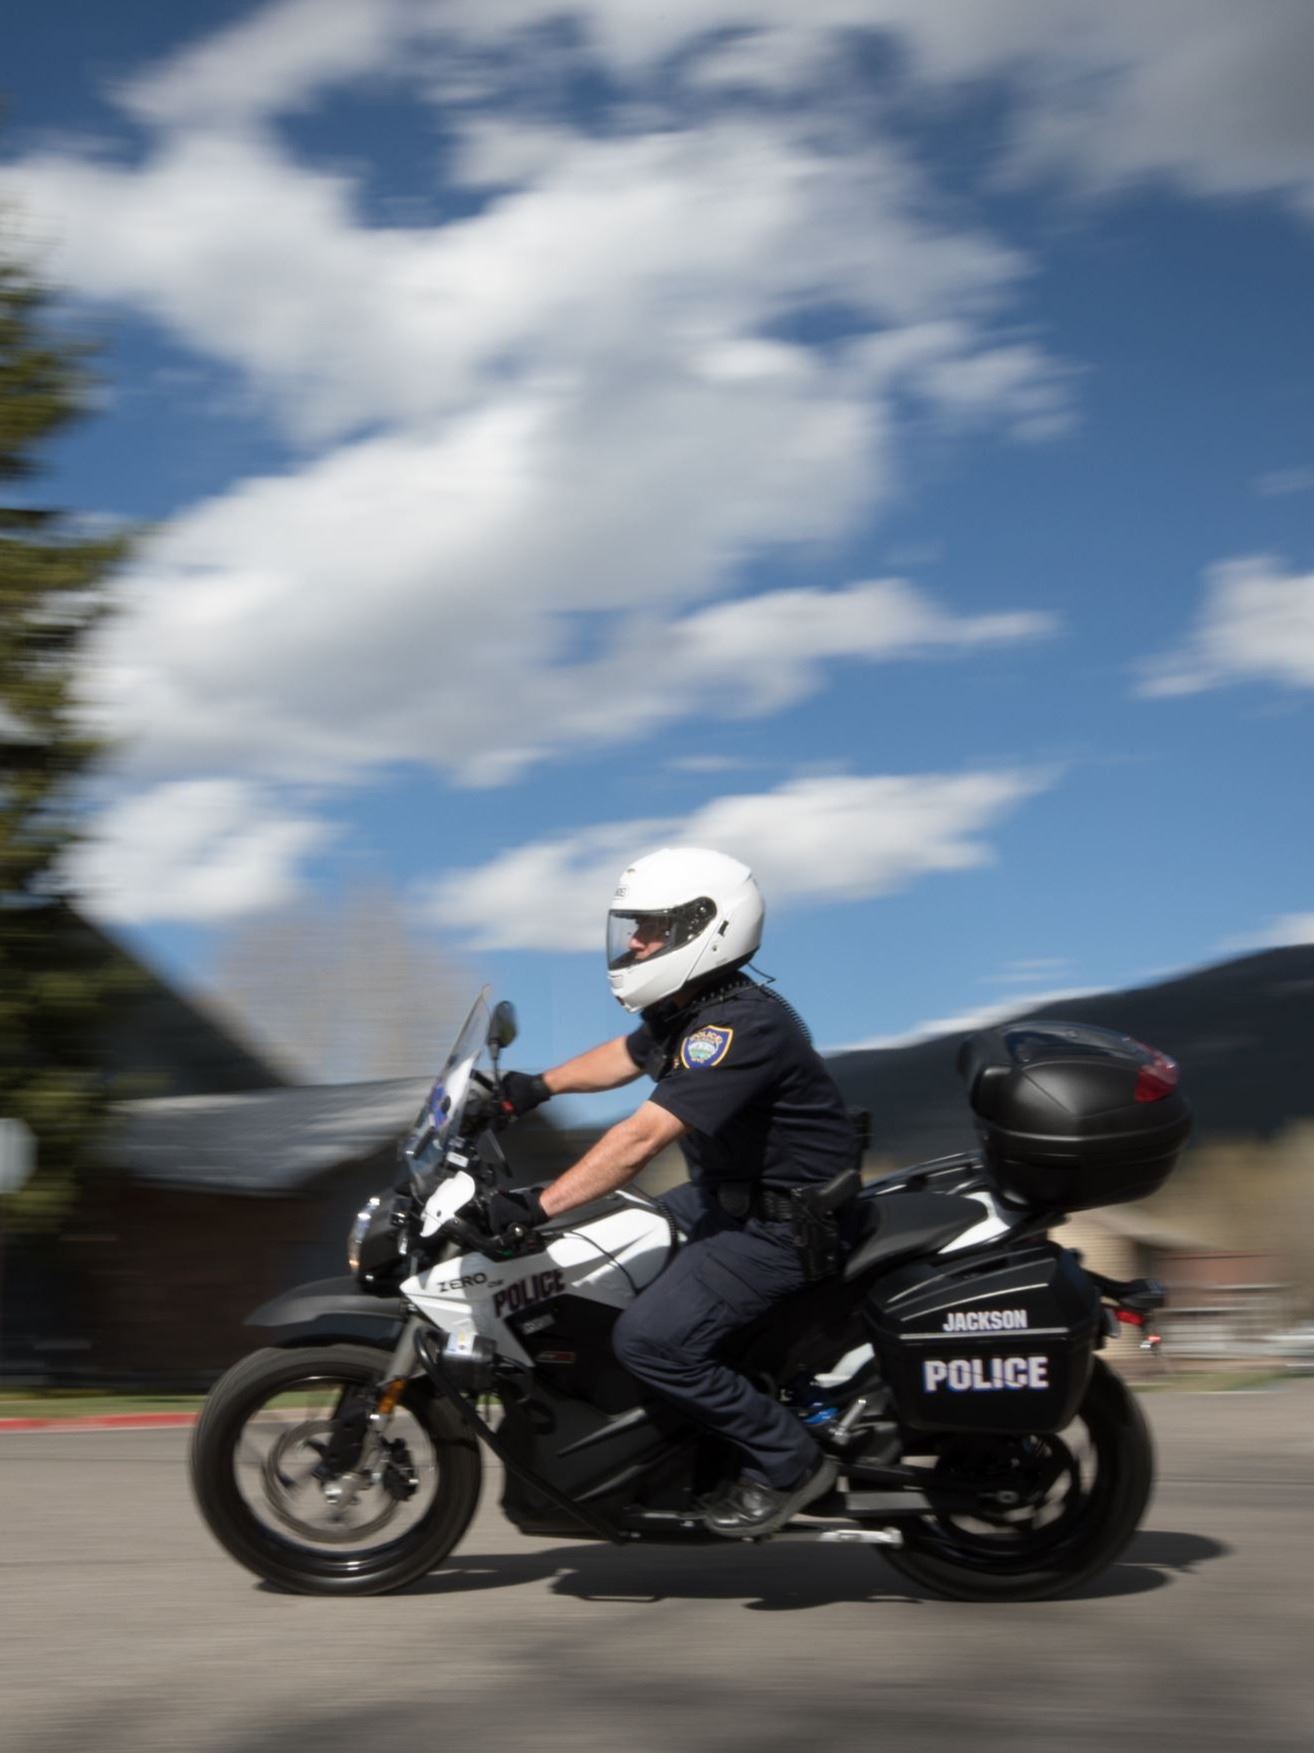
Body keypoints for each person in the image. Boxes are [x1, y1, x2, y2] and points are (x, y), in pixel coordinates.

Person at [480, 846, 860, 1537]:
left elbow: (638, 1140)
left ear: (702, 928)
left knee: (652, 1339)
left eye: (649, 927)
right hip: (728, 1204)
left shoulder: (738, 1025)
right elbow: (624, 1058)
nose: (633, 941)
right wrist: (531, 1089)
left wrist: (533, 1206)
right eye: (635, 926)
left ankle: (788, 1460)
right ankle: (671, 1435)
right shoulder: (691, 1011)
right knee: (610, 1252)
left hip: (781, 1227)